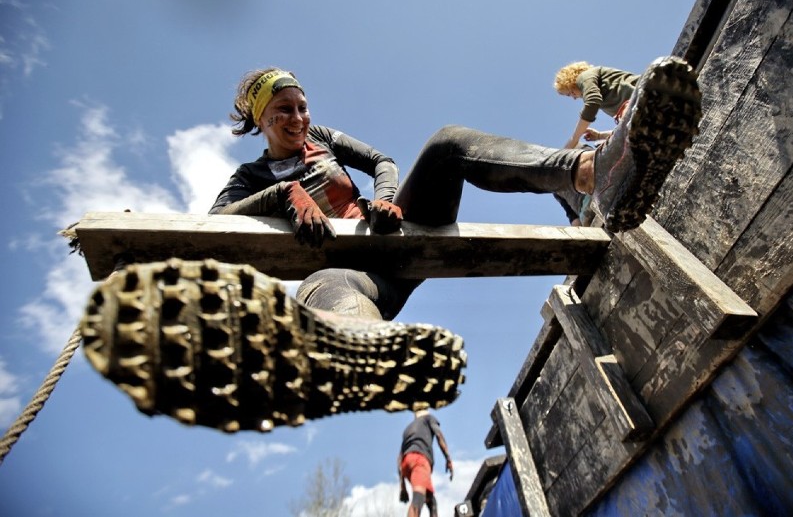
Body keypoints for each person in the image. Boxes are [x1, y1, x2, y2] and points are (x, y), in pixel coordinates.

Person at [76, 56, 702, 433]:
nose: (296, 120)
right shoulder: (248, 177)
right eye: (281, 115)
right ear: (259, 123)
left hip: (395, 236)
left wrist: (384, 195)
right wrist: (286, 197)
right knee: (329, 296)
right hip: (353, 276)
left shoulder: (321, 137)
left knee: (450, 141)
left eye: (299, 106)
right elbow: (221, 223)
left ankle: (595, 174)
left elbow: (380, 159)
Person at [554, 61, 640, 149]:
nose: (574, 98)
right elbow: (629, 130)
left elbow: (592, 102)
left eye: (569, 93)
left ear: (569, 83)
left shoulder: (584, 76)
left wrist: (574, 140)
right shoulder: (605, 100)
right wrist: (599, 136)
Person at [398, 408, 453, 517]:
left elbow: (400, 458)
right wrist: (448, 459)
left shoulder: (408, 429)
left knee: (431, 501)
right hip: (420, 460)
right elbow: (439, 435)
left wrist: (402, 486)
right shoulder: (428, 419)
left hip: (406, 463)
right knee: (419, 497)